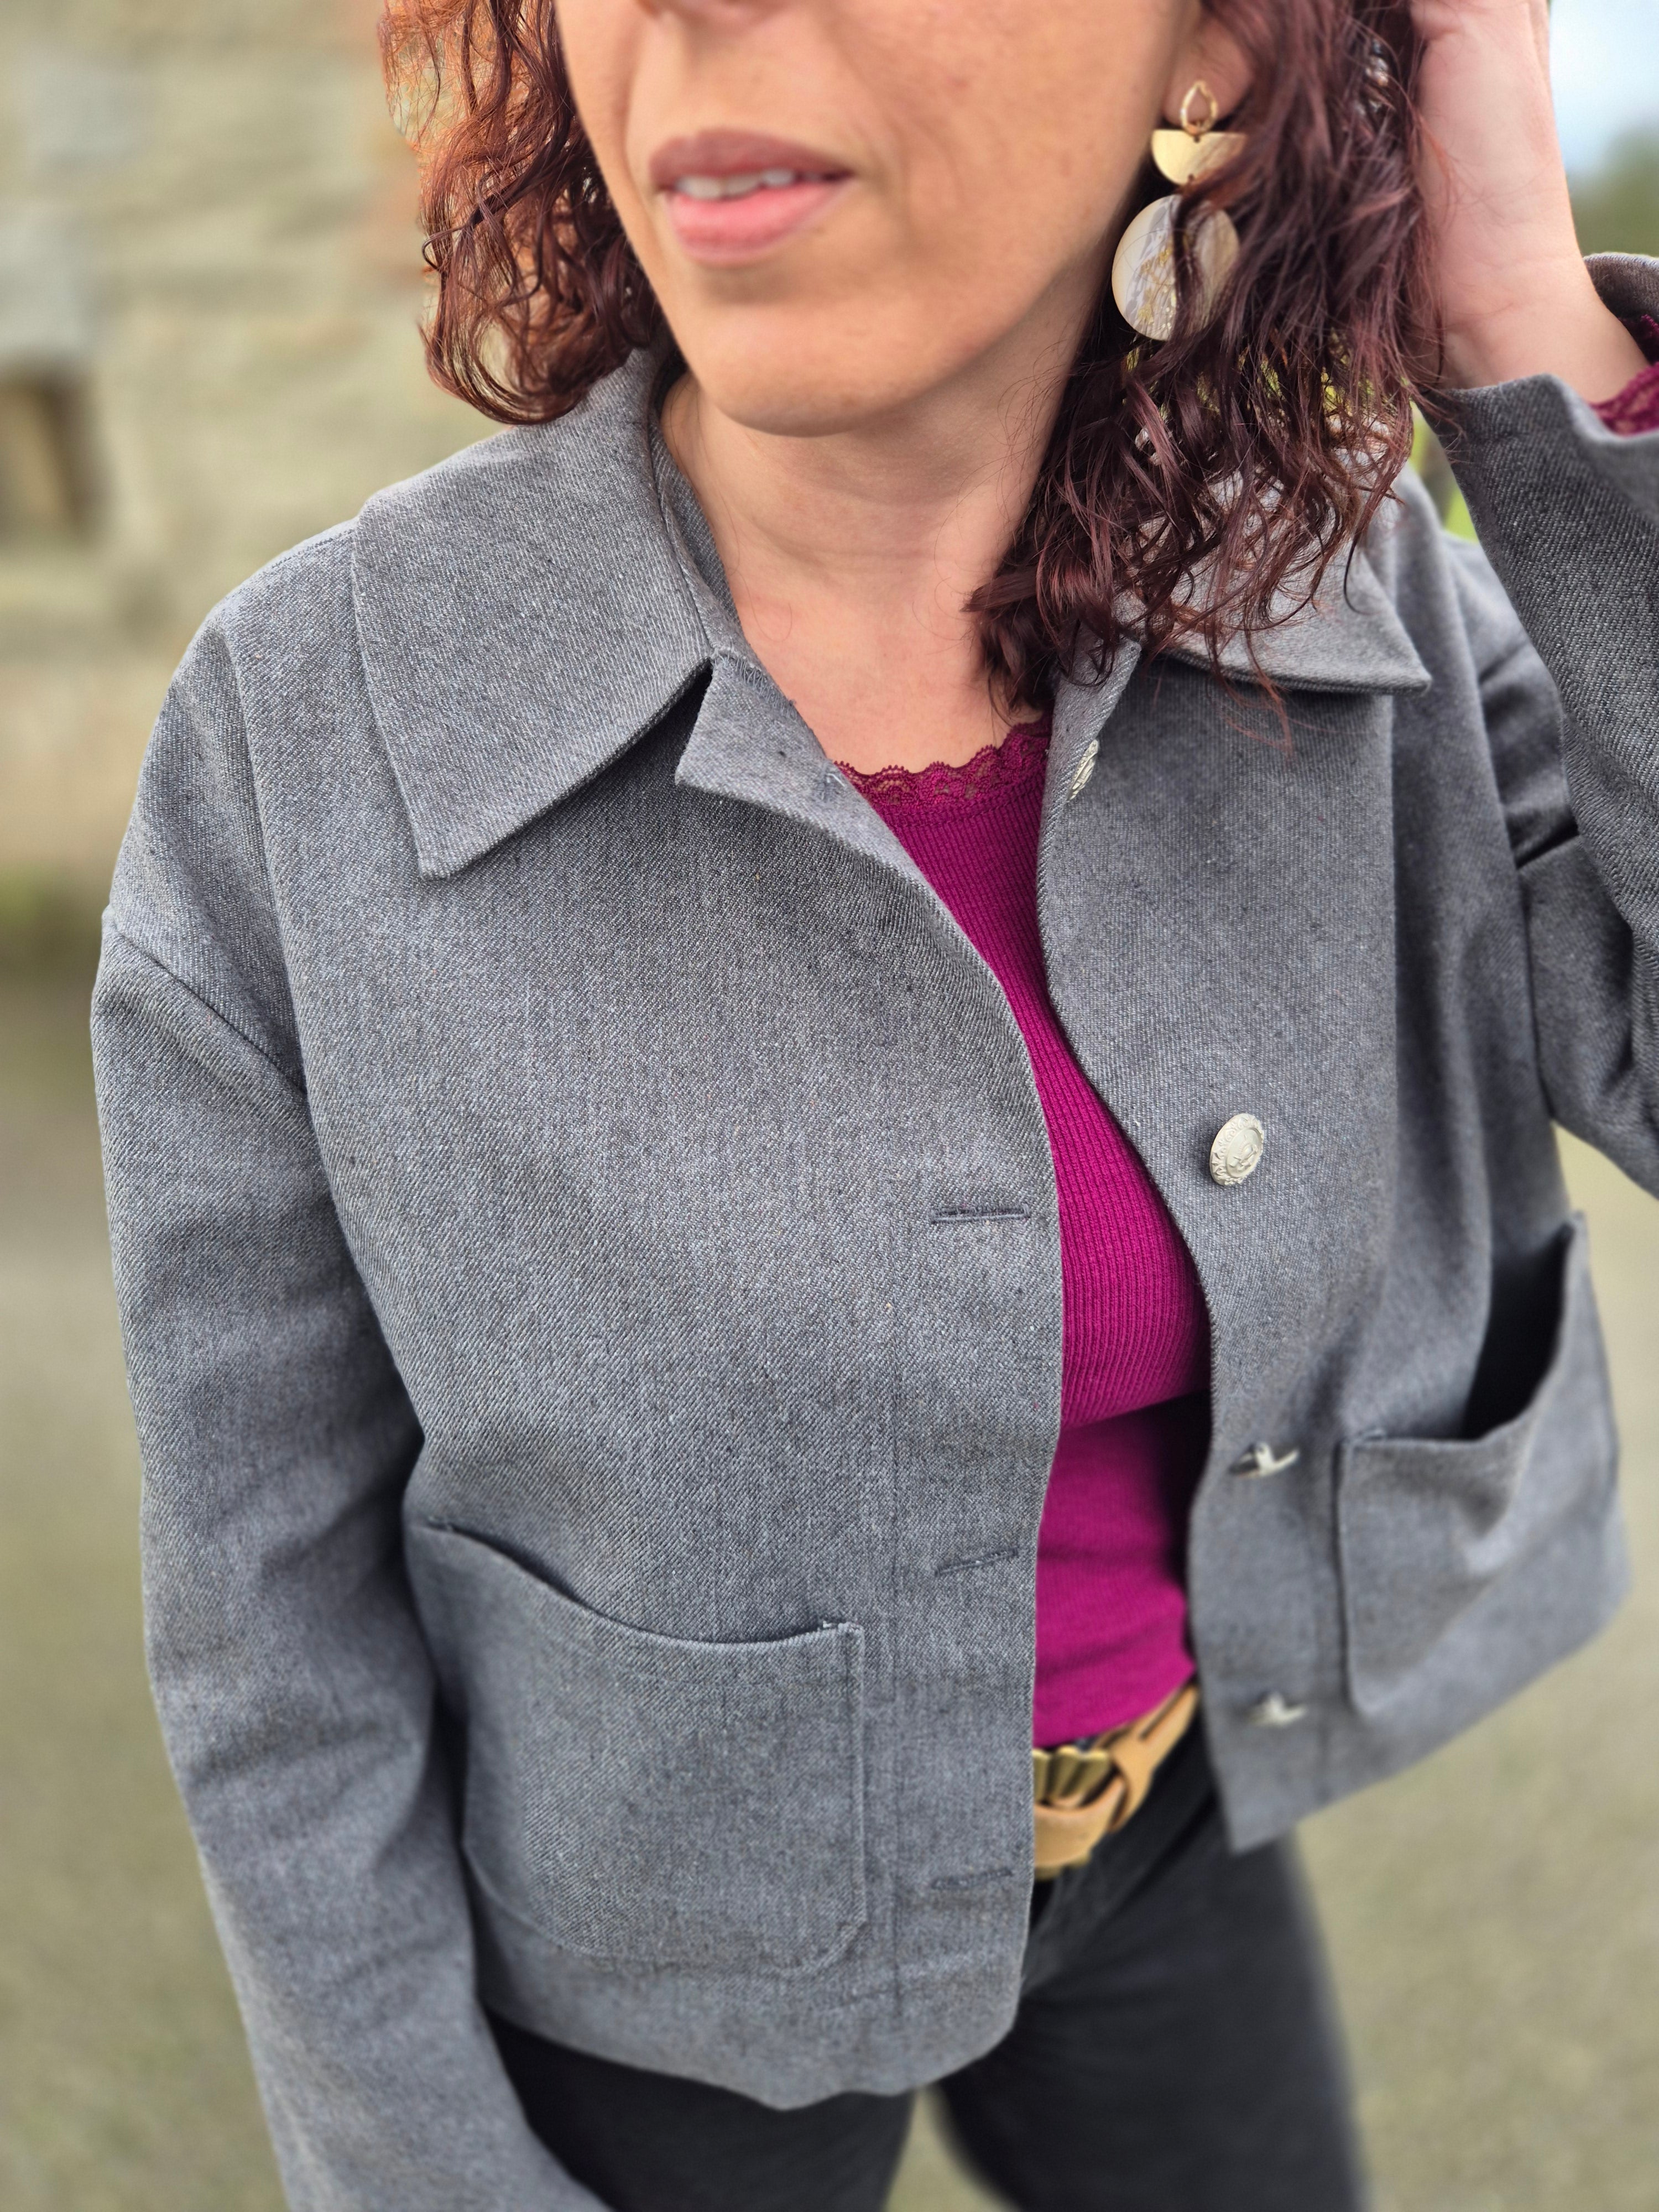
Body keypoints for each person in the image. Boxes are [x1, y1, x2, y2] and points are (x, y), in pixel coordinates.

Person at [92, 0, 1659, 2205]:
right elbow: (272, 1649)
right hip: (662, 1946)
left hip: (1175, 1832)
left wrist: (1523, 320)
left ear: (1213, 57)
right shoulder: (305, 737)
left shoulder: (1344, 580)